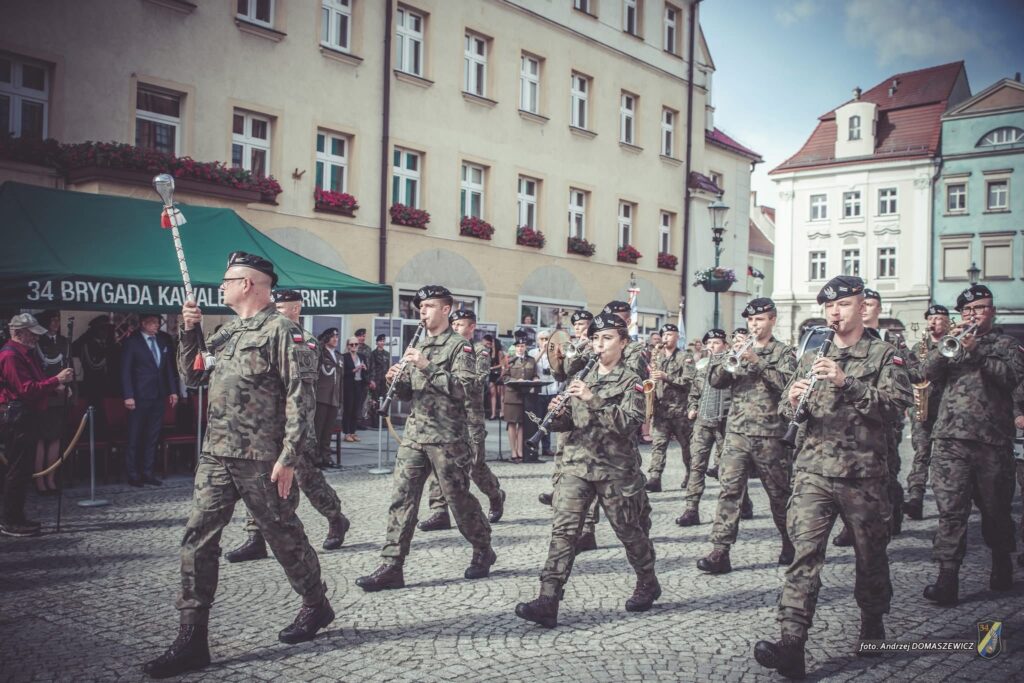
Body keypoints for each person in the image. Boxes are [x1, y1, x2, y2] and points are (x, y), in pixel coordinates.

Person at [142, 252, 334, 679]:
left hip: (261, 457)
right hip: (217, 453)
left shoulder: (284, 332)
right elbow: (193, 377)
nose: (221, 287)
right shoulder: (228, 331)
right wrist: (189, 331)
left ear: (249, 284)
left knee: (283, 536)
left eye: (228, 280)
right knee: (197, 539)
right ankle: (192, 639)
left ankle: (316, 604)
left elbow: (300, 398)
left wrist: (288, 457)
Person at [754, 275, 911, 678]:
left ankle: (872, 623)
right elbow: (787, 413)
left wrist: (847, 382)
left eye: (842, 306)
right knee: (804, 556)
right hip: (813, 473)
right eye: (828, 307)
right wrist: (791, 402)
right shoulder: (811, 355)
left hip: (863, 476)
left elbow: (895, 410)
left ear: (861, 307)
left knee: (870, 556)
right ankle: (792, 643)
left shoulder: (884, 354)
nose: (834, 313)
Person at [515, 312, 658, 628]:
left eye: (607, 338)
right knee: (563, 532)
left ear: (623, 342)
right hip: (577, 464)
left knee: (628, 530)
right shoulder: (585, 376)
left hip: (615, 469)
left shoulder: (632, 381)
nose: (600, 344)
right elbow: (575, 423)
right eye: (595, 338)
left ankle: (647, 580)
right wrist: (560, 415)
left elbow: (629, 425)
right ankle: (548, 599)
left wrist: (592, 399)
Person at [355, 285, 496, 592]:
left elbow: (466, 389)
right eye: (420, 306)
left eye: (430, 305)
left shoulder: (460, 347)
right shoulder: (419, 343)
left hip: (448, 438)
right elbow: (411, 393)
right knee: (402, 498)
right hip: (416, 434)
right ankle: (392, 564)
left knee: (458, 500)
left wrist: (425, 366)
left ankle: (483, 547)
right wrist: (396, 380)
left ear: (446, 309)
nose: (423, 310)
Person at [223, 289, 352, 562]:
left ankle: (335, 517)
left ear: (295, 310)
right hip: (261, 429)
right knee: (258, 482)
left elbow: (300, 389)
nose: (275, 313)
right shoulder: (262, 336)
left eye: (281, 308)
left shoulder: (304, 341)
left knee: (307, 480)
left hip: (293, 428)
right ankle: (256, 537)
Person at [919, 284, 1022, 606]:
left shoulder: (1006, 344)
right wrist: (946, 347)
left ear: (991, 311)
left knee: (995, 511)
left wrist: (977, 351)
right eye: (966, 311)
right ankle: (947, 579)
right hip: (950, 439)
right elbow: (923, 373)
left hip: (992, 441)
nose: (972, 315)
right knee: (951, 512)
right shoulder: (953, 344)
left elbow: (1012, 379)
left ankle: (1002, 558)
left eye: (979, 309)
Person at [697, 298, 797, 573]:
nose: (754, 325)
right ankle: (720, 551)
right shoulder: (741, 349)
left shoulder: (783, 352)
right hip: (737, 432)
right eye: (751, 320)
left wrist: (758, 363)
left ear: (772, 320)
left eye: (760, 319)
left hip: (770, 434)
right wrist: (728, 359)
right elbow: (716, 382)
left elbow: (787, 386)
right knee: (729, 491)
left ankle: (791, 542)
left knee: (778, 494)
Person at [419, 309, 506, 531]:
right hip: (446, 418)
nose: (455, 328)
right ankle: (439, 511)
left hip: (470, 417)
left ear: (471, 327)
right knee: (439, 463)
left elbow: (475, 384)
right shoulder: (444, 350)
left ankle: (495, 494)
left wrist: (444, 378)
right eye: (453, 324)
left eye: (460, 325)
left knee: (475, 465)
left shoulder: (480, 351)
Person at [833, 287, 907, 545]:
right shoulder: (837, 339)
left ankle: (890, 513)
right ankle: (848, 525)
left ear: (874, 308)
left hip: (881, 424)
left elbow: (905, 382)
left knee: (887, 471)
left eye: (873, 303)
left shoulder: (890, 341)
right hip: (846, 426)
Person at [0, 314, 74, 537]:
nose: (35, 337)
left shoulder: (25, 354)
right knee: (16, 470)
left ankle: (17, 516)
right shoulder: (11, 355)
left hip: (28, 415)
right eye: (31, 333)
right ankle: (10, 520)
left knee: (22, 470)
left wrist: (55, 387)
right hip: (18, 416)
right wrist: (56, 381)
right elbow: (26, 389)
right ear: (18, 332)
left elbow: (37, 380)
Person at [677, 330, 750, 526]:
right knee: (696, 466)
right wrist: (692, 408)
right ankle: (691, 510)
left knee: (730, 469)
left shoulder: (732, 365)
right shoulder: (701, 367)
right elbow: (693, 394)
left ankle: (745, 503)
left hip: (725, 424)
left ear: (725, 345)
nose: (712, 346)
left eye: (717, 342)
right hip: (703, 423)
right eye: (709, 342)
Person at [544, 310, 602, 552]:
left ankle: (588, 529)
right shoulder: (573, 346)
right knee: (562, 456)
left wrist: (577, 351)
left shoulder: (595, 347)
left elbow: (582, 369)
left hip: (588, 407)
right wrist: (557, 358)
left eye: (584, 325)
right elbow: (561, 374)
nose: (580, 329)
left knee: (589, 468)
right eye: (577, 325)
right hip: (569, 405)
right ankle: (560, 498)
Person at [903, 304, 950, 520]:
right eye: (930, 318)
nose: (934, 322)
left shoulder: (955, 346)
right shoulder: (918, 348)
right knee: (921, 454)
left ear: (948, 321)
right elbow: (911, 376)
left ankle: (949, 504)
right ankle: (915, 498)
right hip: (922, 408)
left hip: (948, 412)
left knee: (946, 458)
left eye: (939, 318)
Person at [121, 313, 179, 487]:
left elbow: (168, 368)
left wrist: (173, 391)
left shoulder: (162, 341)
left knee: (152, 436)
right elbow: (126, 371)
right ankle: (133, 474)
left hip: (158, 395)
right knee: (134, 436)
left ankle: (148, 472)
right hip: (139, 396)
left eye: (157, 323)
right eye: (153, 323)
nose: (156, 326)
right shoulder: (132, 342)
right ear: (143, 324)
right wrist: (128, 395)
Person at [644, 323, 694, 493]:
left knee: (686, 447)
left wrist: (667, 377)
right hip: (661, 410)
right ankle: (655, 478)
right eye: (664, 335)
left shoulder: (685, 357)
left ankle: (690, 475)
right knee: (658, 445)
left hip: (680, 410)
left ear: (677, 336)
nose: (666, 338)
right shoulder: (657, 357)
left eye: (670, 334)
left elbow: (689, 381)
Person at [33, 310, 69, 494]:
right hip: (43, 395)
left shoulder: (63, 342)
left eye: (57, 319)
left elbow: (67, 366)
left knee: (55, 438)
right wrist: (53, 385)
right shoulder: (37, 342)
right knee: (41, 439)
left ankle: (51, 479)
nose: (55, 323)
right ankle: (40, 481)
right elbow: (36, 370)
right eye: (52, 320)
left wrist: (70, 389)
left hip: (60, 396)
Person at [503, 333, 538, 463]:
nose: (520, 348)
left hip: (526, 397)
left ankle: (520, 450)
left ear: (526, 347)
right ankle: (513, 452)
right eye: (518, 346)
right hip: (512, 396)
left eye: (522, 346)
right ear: (515, 347)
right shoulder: (509, 360)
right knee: (512, 423)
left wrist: (535, 379)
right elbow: (504, 377)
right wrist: (516, 380)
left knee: (523, 424)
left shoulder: (531, 360)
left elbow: (534, 374)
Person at [314, 326, 342, 467]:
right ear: (326, 338)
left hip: (334, 398)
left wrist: (340, 399)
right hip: (321, 397)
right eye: (333, 336)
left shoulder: (338, 356)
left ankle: (326, 457)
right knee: (318, 429)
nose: (336, 339)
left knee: (328, 431)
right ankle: (316, 458)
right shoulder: (320, 353)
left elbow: (341, 380)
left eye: (337, 336)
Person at [530, 329, 561, 456]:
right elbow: (530, 365)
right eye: (542, 339)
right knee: (537, 420)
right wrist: (543, 351)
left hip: (552, 389)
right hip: (539, 390)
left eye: (547, 339)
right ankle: (534, 446)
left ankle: (547, 447)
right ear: (538, 341)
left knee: (549, 420)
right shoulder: (532, 352)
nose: (545, 341)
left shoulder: (555, 353)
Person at [341, 336, 368, 442]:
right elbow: (342, 373)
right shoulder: (344, 357)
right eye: (351, 344)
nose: (354, 346)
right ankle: (346, 433)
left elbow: (366, 372)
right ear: (348, 346)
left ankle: (353, 432)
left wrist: (365, 369)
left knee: (356, 409)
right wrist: (354, 369)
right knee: (348, 409)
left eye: (356, 344)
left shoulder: (362, 356)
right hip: (348, 385)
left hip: (359, 385)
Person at [484, 334, 505, 420]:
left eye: (492, 342)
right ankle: (493, 414)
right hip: (492, 374)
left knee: (501, 394)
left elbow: (501, 364)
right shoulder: (489, 352)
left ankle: (502, 412)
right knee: (493, 394)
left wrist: (492, 367)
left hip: (499, 374)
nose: (490, 344)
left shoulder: (499, 352)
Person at [367, 333, 390, 406]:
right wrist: (372, 380)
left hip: (384, 380)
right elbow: (372, 367)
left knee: (384, 398)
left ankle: (382, 416)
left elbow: (388, 367)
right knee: (375, 400)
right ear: (377, 342)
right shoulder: (373, 353)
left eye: (383, 341)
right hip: (376, 380)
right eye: (380, 341)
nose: (382, 342)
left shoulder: (387, 354)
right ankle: (375, 416)